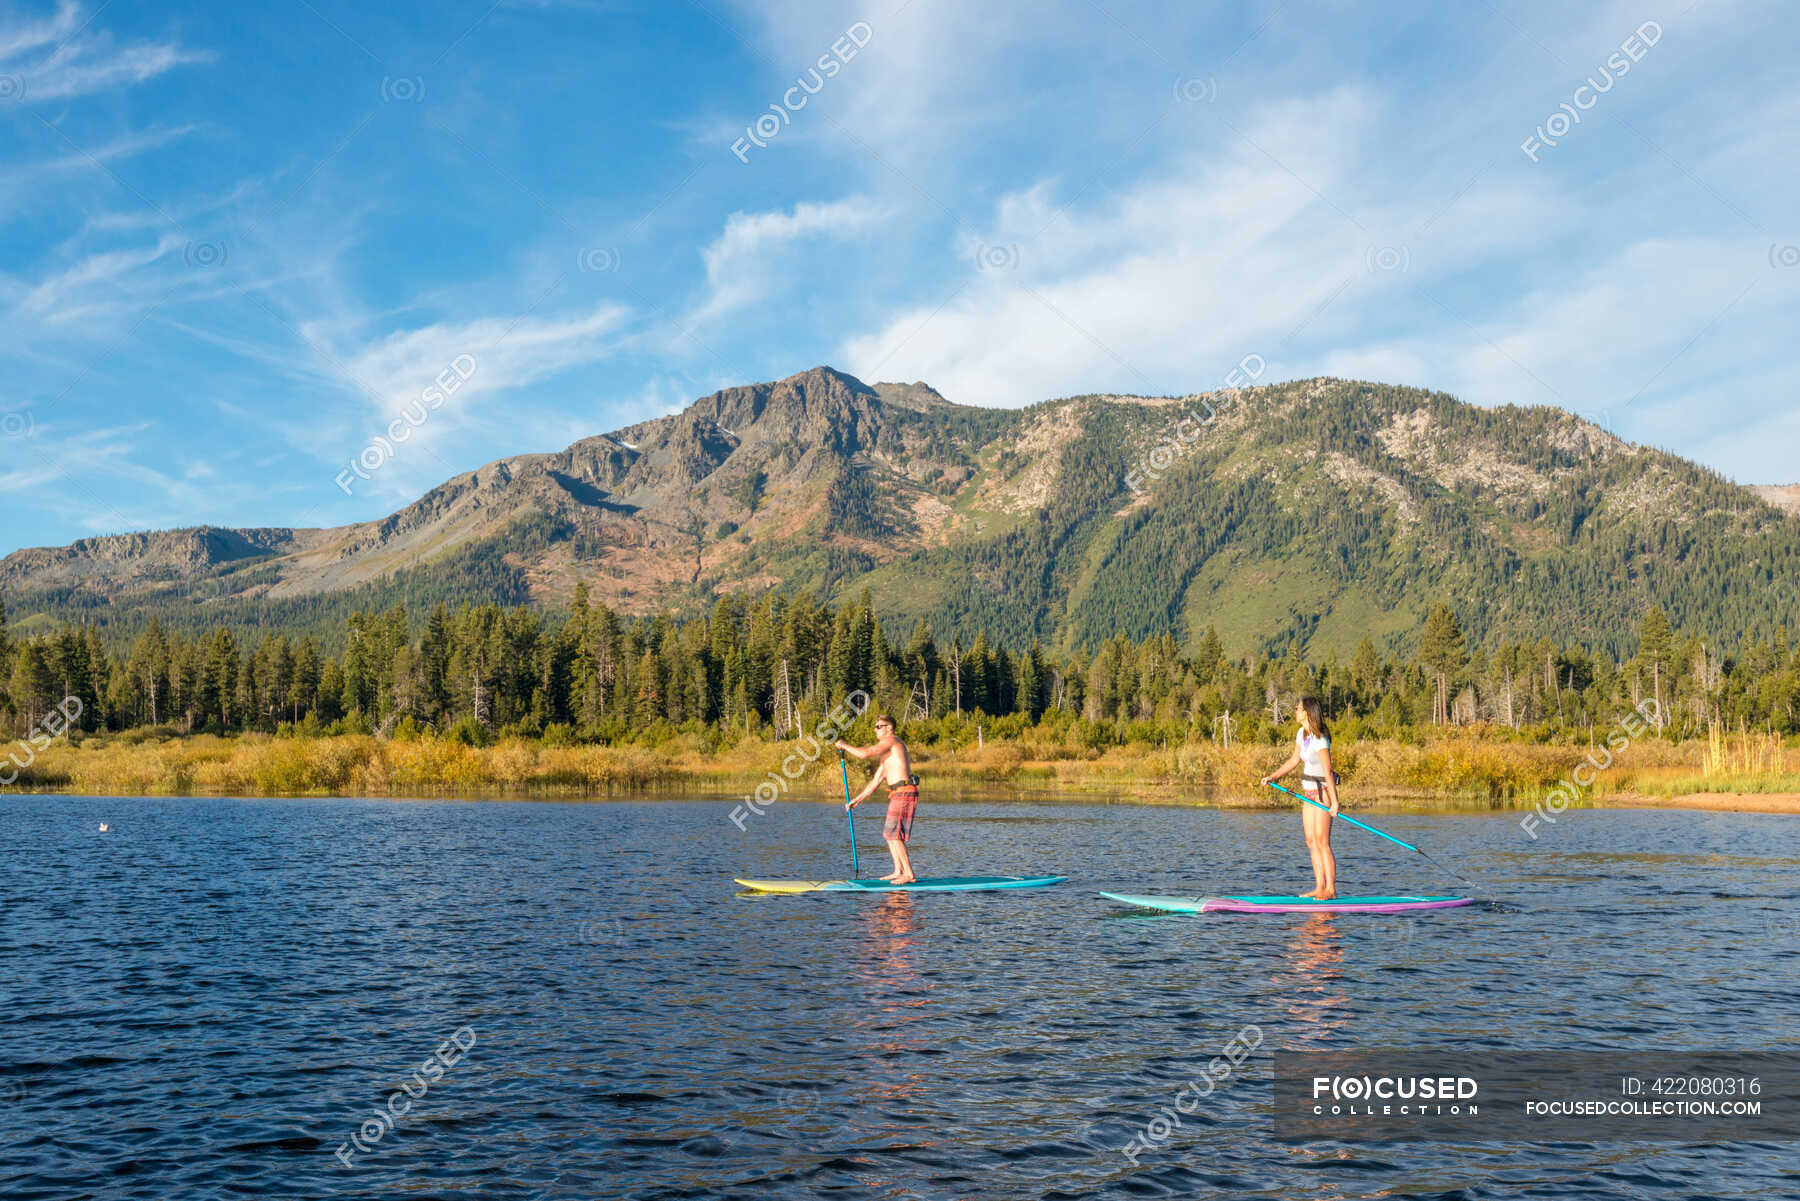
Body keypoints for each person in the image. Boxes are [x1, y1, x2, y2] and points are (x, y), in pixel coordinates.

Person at [1260, 697, 1340, 900]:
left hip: (1322, 794)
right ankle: (1319, 886)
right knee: (1311, 841)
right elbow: (1294, 760)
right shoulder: (1302, 734)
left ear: (1307, 712)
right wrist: (1273, 776)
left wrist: (1335, 801)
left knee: (1323, 842)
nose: (1295, 711)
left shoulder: (1320, 737)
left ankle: (1330, 890)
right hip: (1308, 795)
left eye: (1298, 708)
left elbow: (1328, 771)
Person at [836, 715, 918, 884]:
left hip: (904, 792)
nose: (876, 729)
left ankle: (908, 874)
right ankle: (898, 870)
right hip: (897, 793)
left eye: (879, 726)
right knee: (889, 835)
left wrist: (844, 745)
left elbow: (865, 754)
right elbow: (876, 780)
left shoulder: (891, 741)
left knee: (895, 835)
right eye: (875, 726)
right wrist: (856, 800)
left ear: (889, 728)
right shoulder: (887, 754)